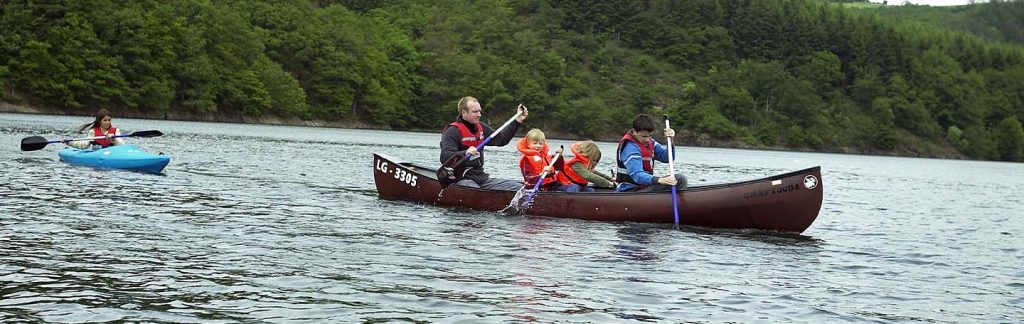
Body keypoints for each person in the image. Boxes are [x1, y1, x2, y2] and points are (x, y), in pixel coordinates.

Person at [440, 96, 528, 190]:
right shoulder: (452, 131)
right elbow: (444, 156)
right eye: (475, 112)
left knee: (519, 188)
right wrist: (465, 153)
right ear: (464, 113)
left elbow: (502, 139)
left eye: (479, 111)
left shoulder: (481, 127)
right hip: (460, 179)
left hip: (480, 178)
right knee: (474, 189)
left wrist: (518, 120)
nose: (479, 114)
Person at [615, 113, 687, 192]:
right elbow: (637, 175)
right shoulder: (630, 147)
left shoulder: (650, 143)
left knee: (680, 179)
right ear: (635, 131)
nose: (647, 139)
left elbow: (667, 158)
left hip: (645, 186)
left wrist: (670, 141)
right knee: (680, 178)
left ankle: (678, 201)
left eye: (649, 136)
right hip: (630, 189)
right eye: (644, 136)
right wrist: (659, 180)